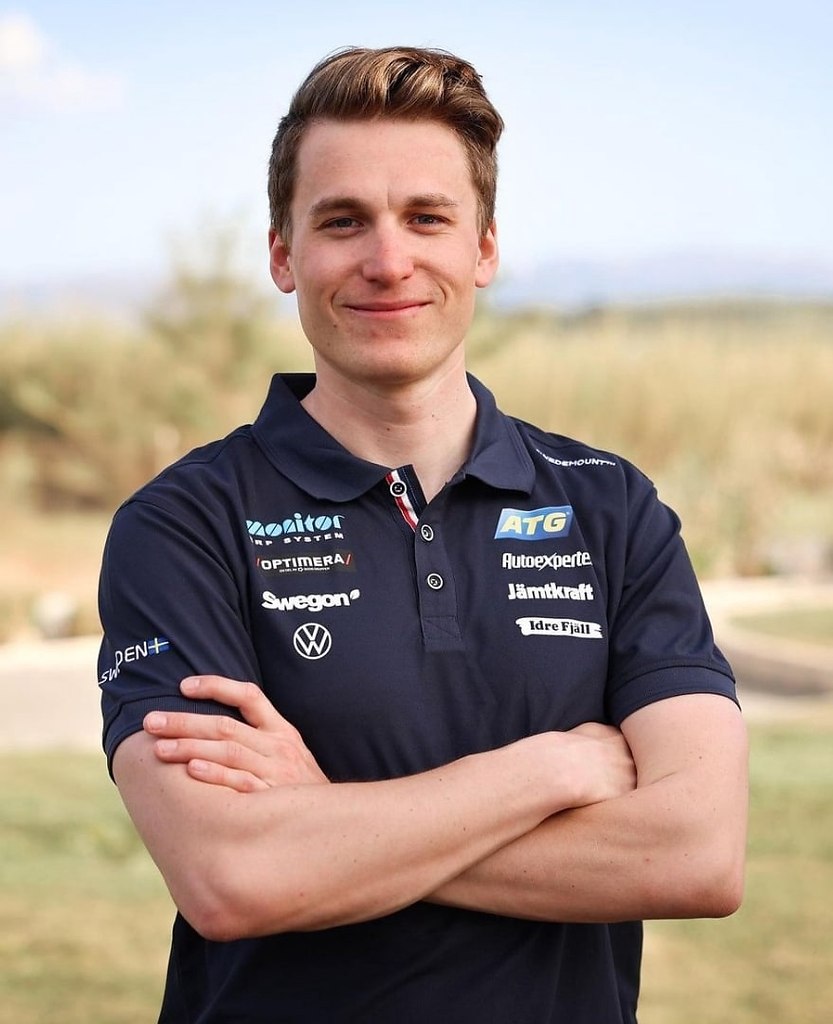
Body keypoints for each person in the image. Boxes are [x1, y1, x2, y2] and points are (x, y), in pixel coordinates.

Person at [98, 46, 748, 1023]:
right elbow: (233, 877)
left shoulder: (612, 509)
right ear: (282, 254)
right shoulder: (182, 524)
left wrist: (324, 820)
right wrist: (547, 769)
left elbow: (695, 854)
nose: (388, 260)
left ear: (483, 248)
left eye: (426, 218)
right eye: (342, 221)